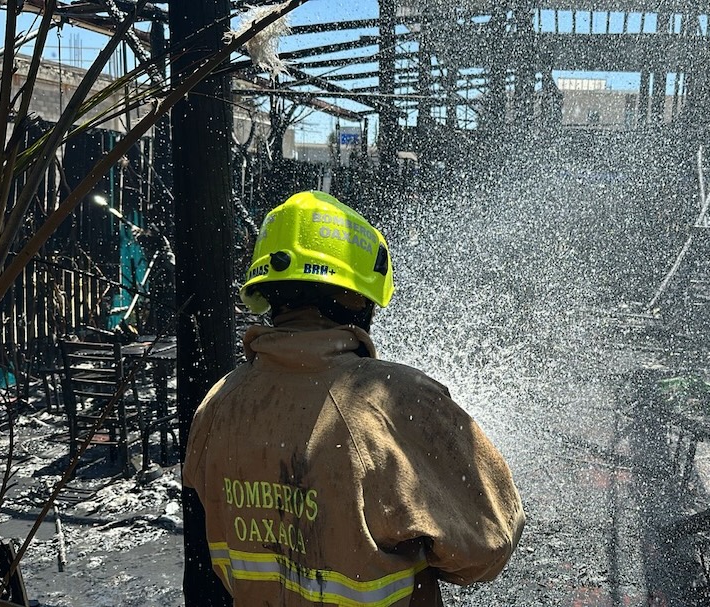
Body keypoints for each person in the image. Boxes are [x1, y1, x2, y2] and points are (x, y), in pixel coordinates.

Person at [182, 190, 525, 606]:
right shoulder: (397, 402)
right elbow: (489, 545)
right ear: (354, 297)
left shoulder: (218, 404)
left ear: (270, 292)